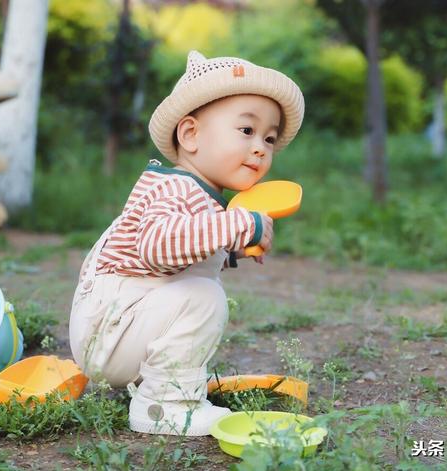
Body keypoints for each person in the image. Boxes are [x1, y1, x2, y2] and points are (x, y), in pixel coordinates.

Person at [69, 50, 304, 436]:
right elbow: (157, 247)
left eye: (269, 138)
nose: (261, 147)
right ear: (191, 134)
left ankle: (159, 386)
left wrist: (232, 250)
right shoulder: (174, 188)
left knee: (200, 288)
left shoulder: (201, 198)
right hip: (108, 334)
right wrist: (237, 225)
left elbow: (179, 257)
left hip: (117, 330)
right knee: (203, 297)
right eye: (247, 131)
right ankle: (165, 406)